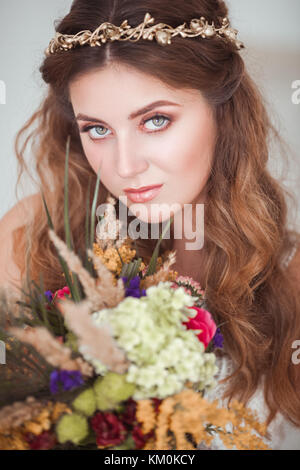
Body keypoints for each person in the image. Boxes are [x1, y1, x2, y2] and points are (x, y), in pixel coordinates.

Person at [1, 0, 300, 449]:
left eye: (155, 120)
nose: (125, 166)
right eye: (97, 129)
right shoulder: (33, 239)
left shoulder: (290, 277)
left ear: (224, 112)